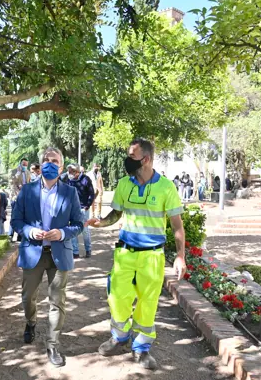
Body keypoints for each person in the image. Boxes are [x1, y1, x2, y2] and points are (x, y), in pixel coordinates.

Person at [86, 138, 186, 370]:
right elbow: (116, 214)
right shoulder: (124, 184)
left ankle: (141, 348)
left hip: (152, 256)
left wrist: (180, 256)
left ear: (147, 159)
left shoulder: (166, 187)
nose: (127, 161)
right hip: (125, 253)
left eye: (132, 156)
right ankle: (119, 336)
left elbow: (177, 225)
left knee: (148, 303)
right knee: (116, 298)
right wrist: (100, 223)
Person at [11, 147, 84, 367]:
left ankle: (53, 345)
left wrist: (62, 233)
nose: (50, 163)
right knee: (27, 297)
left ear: (61, 167)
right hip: (33, 251)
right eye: (46, 160)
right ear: (40, 164)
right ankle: (30, 322)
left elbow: (79, 224)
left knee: (57, 301)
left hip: (59, 254)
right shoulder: (27, 190)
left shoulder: (70, 193)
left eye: (55, 161)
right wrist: (30, 232)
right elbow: (16, 221)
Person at [65, 164, 95, 258]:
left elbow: (91, 193)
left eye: (71, 172)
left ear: (76, 172)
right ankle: (75, 252)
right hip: (72, 209)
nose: (69, 173)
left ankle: (88, 250)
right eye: (68, 171)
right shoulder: (69, 180)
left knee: (84, 230)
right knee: (73, 230)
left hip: (83, 209)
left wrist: (87, 206)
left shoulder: (86, 179)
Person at [9, 158, 32, 241]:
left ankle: (20, 236)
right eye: (23, 164)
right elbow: (12, 183)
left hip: (25, 198)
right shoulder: (13, 171)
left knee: (22, 217)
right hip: (16, 197)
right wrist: (18, 174)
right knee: (14, 216)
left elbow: (29, 183)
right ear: (20, 163)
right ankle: (10, 235)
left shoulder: (28, 172)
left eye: (26, 165)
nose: (25, 166)